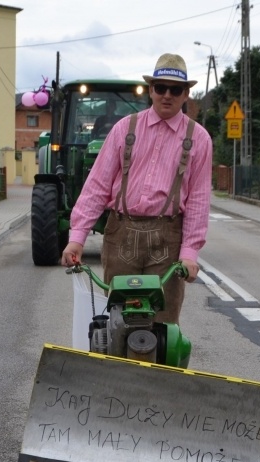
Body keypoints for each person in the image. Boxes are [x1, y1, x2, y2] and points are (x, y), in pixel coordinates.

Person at [61, 53, 213, 325]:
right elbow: (97, 185)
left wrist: (189, 254)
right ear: (151, 90)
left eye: (175, 89)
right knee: (119, 321)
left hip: (168, 239)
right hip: (122, 234)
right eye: (160, 88)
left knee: (164, 326)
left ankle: (159, 367)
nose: (167, 95)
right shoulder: (125, 129)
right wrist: (77, 238)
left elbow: (199, 202)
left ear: (186, 94)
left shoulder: (198, 139)